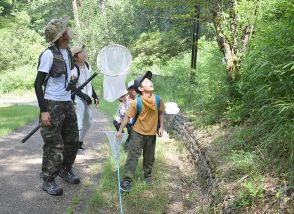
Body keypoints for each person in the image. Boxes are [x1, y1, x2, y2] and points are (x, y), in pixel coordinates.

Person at [34, 16, 80, 196]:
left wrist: (72, 80)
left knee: (73, 141)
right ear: (62, 36)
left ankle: (65, 169)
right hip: (52, 104)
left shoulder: (67, 51)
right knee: (54, 144)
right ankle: (48, 180)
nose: (69, 30)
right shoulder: (48, 54)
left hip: (67, 102)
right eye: (66, 29)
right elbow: (38, 84)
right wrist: (44, 110)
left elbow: (66, 75)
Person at [116, 71, 165, 192]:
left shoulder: (158, 100)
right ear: (141, 88)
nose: (150, 82)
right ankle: (127, 180)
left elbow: (161, 113)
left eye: (149, 80)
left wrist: (161, 127)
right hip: (137, 134)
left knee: (149, 157)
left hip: (151, 135)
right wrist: (120, 130)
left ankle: (147, 176)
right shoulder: (136, 102)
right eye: (146, 81)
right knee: (133, 156)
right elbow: (127, 117)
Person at [71, 45, 99, 149]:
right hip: (78, 99)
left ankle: (79, 141)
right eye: (80, 52)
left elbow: (88, 83)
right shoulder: (73, 69)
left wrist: (94, 95)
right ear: (75, 57)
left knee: (88, 121)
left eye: (83, 51)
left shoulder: (87, 65)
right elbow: (73, 88)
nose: (84, 53)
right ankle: (73, 144)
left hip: (86, 98)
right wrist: (84, 97)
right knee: (79, 123)